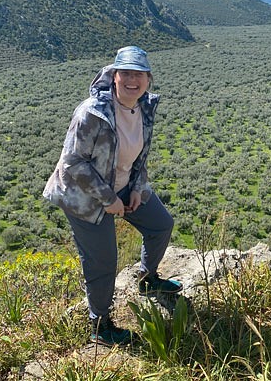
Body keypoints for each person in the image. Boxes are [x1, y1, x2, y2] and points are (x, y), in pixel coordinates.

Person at [43, 45, 182, 346]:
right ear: (114, 76)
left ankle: (148, 280)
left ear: (148, 78)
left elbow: (139, 156)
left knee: (161, 225)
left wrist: (137, 188)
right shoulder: (91, 113)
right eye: (126, 74)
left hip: (120, 185)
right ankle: (99, 326)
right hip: (83, 196)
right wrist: (109, 199)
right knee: (103, 260)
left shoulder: (144, 106)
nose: (133, 80)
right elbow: (72, 163)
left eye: (139, 74)